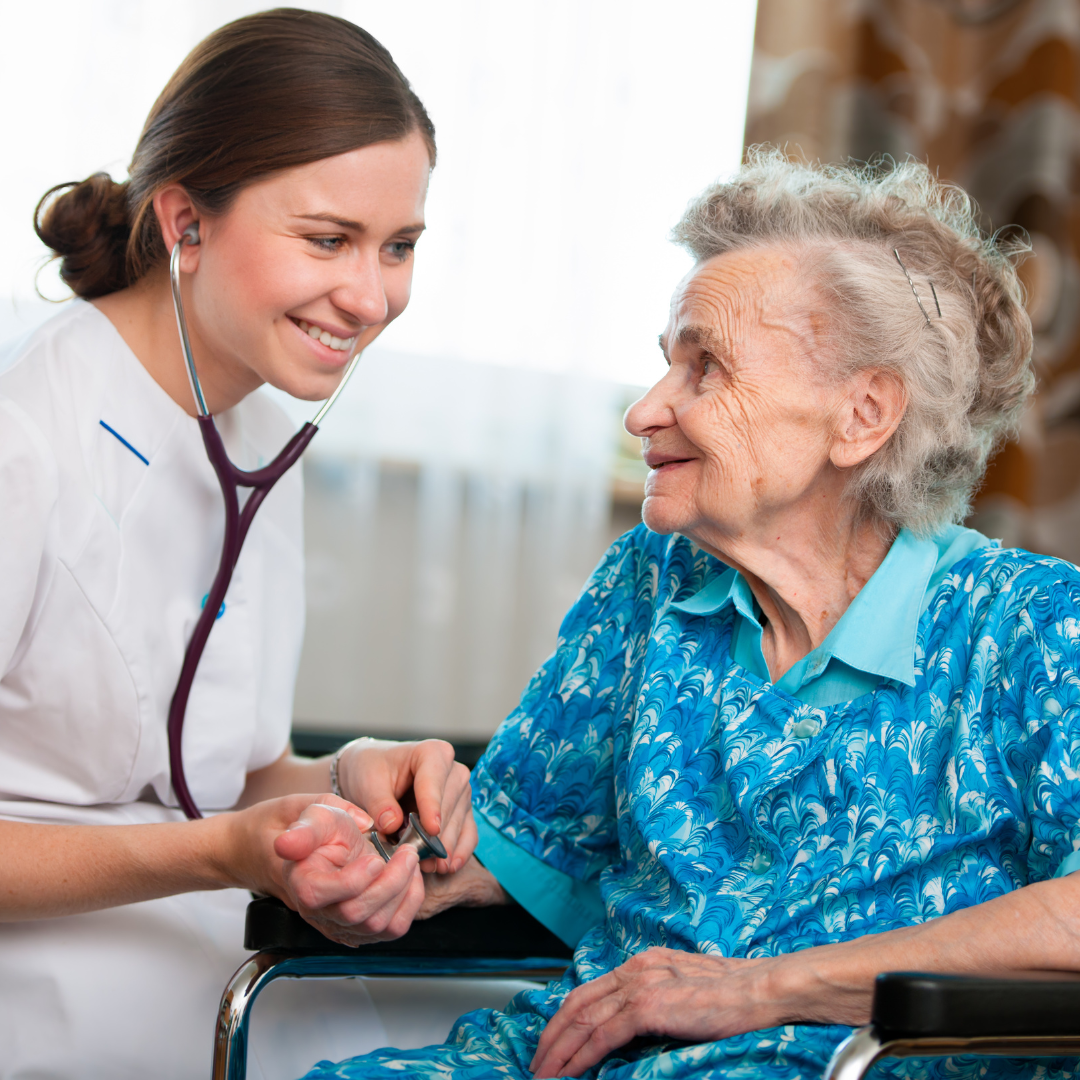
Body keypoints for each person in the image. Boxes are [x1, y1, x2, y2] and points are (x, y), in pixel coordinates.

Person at [299, 151, 1080, 1080]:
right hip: (579, 1054)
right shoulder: (656, 581)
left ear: (862, 415)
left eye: (705, 369)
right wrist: (388, 859)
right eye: (665, 363)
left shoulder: (1032, 627)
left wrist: (761, 989)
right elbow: (520, 846)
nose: (644, 411)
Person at [0, 10, 476, 1079]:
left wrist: (347, 782)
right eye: (327, 238)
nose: (369, 297)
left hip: (220, 960)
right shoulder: (22, 433)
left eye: (398, 247)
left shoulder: (261, 429)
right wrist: (221, 850)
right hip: (37, 987)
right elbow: (205, 823)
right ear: (185, 224)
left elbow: (225, 767)